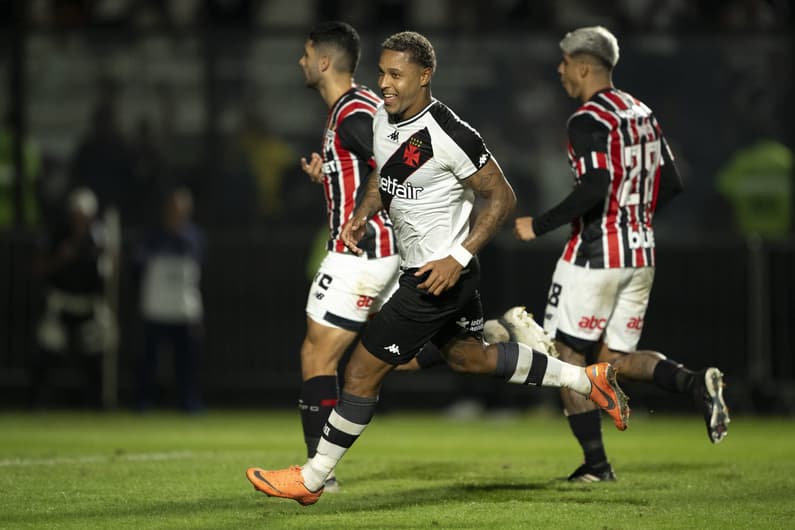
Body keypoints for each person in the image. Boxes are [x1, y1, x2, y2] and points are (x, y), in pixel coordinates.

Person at [245, 30, 630, 506]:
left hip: (438, 277)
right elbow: (383, 174)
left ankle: (312, 477)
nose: (384, 83)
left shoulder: (448, 133)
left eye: (395, 75)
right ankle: (584, 380)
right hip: (432, 273)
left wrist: (460, 256)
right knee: (470, 357)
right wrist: (363, 214)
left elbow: (502, 196)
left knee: (362, 372)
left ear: (424, 76)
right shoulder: (385, 120)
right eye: (382, 72)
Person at [512, 26, 730, 482]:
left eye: (566, 62)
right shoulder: (641, 112)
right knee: (614, 363)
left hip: (595, 254)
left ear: (585, 66)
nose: (560, 70)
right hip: (640, 251)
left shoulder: (585, 120)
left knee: (567, 358)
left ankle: (596, 466)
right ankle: (694, 383)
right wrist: (633, 215)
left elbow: (595, 186)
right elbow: (672, 182)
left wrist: (540, 224)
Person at [291, 21, 401, 491]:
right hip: (386, 248)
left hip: (361, 249)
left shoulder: (353, 111)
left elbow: (389, 165)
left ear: (322, 61)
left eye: (305, 53)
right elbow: (368, 166)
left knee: (317, 353)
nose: (300, 61)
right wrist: (330, 176)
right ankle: (495, 337)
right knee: (407, 353)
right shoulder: (355, 108)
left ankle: (320, 473)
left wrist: (357, 216)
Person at [32, 187, 115, 407]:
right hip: (61, 303)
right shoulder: (56, 234)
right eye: (77, 215)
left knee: (94, 359)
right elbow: (39, 268)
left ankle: (96, 406)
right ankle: (37, 404)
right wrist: (61, 257)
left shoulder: (100, 236)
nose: (80, 220)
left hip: (88, 306)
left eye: (85, 216)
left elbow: (111, 275)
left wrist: (108, 256)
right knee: (48, 354)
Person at [133, 186, 206, 412]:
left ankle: (188, 401)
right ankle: (143, 400)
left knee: (187, 361)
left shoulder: (193, 236)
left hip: (184, 307)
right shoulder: (152, 235)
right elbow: (138, 261)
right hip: (156, 306)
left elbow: (199, 260)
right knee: (149, 358)